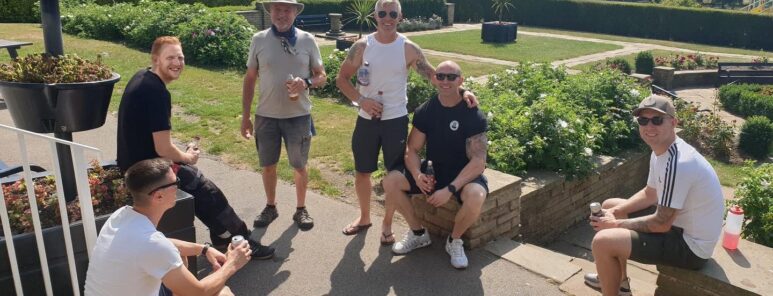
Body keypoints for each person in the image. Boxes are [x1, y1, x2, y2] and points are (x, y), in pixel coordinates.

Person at [116, 36, 274, 259]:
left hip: (134, 162)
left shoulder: (142, 77)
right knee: (207, 192)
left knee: (199, 185)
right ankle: (240, 242)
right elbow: (163, 148)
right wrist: (187, 157)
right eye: (170, 57)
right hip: (145, 170)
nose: (177, 63)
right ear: (155, 59)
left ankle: (223, 238)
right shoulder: (157, 92)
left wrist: (181, 156)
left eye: (180, 57)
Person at [335, 0, 478, 244]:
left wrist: (462, 91)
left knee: (394, 175)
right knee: (362, 172)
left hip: (395, 121)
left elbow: (434, 76)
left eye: (393, 13)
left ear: (400, 17)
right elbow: (341, 79)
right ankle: (365, 217)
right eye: (382, 13)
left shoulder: (408, 48)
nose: (387, 18)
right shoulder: (361, 46)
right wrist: (361, 100)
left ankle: (387, 224)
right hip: (366, 120)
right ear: (375, 16)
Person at [585, 95, 724, 296]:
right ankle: (618, 282)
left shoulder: (679, 163)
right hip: (679, 227)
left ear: (673, 123)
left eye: (657, 120)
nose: (649, 126)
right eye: (643, 120)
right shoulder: (661, 150)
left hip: (691, 247)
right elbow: (650, 193)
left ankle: (610, 289)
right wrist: (616, 212)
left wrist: (614, 224)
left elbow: (661, 223)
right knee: (612, 204)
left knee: (603, 242)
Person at [85, 158, 251, 296]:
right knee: (223, 292)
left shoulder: (120, 216)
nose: (179, 186)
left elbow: (163, 245)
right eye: (176, 182)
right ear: (158, 195)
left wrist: (204, 249)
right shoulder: (151, 244)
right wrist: (233, 263)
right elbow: (200, 292)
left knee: (180, 258)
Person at [382, 61, 488, 269]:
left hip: (463, 174)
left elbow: (478, 162)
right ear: (434, 79)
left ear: (461, 80)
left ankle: (454, 240)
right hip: (435, 170)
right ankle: (418, 233)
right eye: (440, 76)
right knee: (391, 181)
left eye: (451, 77)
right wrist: (417, 173)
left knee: (476, 196)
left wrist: (450, 189)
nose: (445, 81)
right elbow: (412, 150)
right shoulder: (426, 110)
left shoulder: (472, 113)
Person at [241, 0, 326, 231]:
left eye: (287, 9)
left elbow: (322, 76)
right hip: (266, 116)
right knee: (268, 165)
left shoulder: (307, 40)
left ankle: (301, 209)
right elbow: (250, 78)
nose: (282, 14)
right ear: (270, 12)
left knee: (299, 166)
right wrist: (246, 115)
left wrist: (306, 82)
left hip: (298, 116)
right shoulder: (259, 39)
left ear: (295, 13)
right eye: (277, 9)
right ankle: (271, 206)